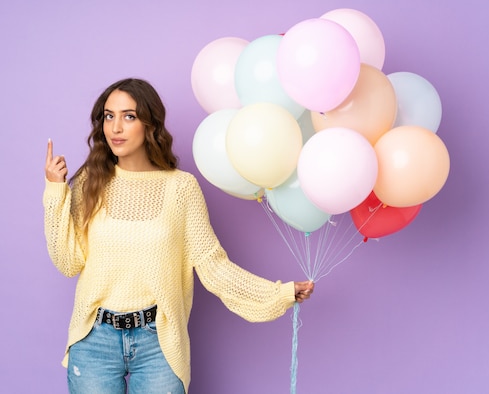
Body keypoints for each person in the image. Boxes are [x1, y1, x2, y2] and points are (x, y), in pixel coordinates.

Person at [43, 78, 314, 394]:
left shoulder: (181, 188)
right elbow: (67, 261)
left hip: (158, 341)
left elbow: (213, 266)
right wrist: (55, 190)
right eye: (109, 116)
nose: (115, 127)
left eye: (129, 116)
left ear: (150, 124)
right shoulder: (91, 182)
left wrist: (277, 294)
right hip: (94, 339)